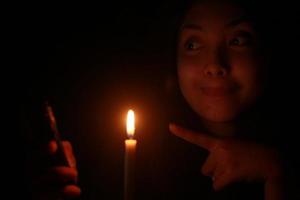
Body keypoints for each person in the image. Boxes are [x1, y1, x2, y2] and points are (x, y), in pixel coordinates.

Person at [28, 0, 298, 199]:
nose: (215, 64)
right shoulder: (142, 167)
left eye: (238, 40)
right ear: (174, 61)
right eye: (193, 45)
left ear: (267, 54)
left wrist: (278, 176)